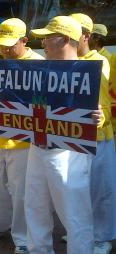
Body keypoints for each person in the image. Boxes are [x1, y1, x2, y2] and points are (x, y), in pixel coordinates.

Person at [26, 15, 103, 254]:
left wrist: (99, 118)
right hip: (37, 144)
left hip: (70, 149)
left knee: (74, 210)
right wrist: (4, 108)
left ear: (65, 39)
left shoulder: (89, 71)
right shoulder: (37, 70)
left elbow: (102, 109)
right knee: (34, 205)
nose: (44, 43)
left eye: (49, 38)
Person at [0, 18, 44, 254]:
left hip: (22, 141)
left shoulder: (39, 64)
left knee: (21, 191)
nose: (4, 50)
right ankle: (1, 222)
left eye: (10, 45)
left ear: (24, 41)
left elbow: (44, 105)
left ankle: (22, 237)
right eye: (1, 45)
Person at [70, 13, 116, 254]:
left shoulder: (100, 61)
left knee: (101, 190)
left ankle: (103, 238)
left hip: (99, 137)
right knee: (77, 189)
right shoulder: (64, 62)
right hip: (72, 136)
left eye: (71, 34)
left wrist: (103, 117)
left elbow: (106, 101)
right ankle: (83, 232)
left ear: (86, 36)